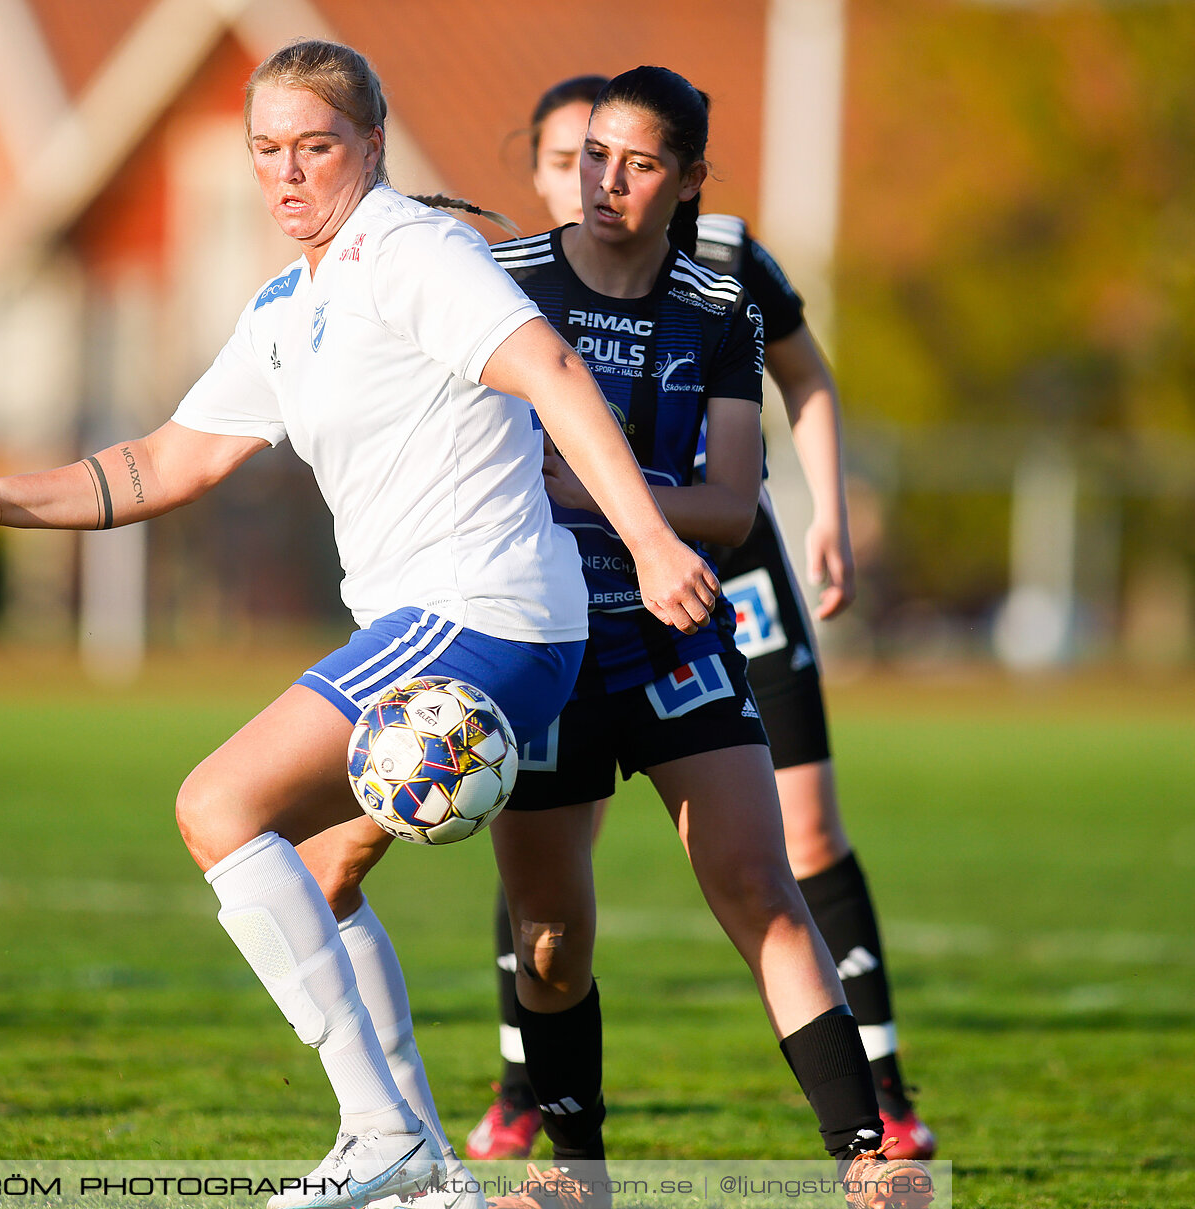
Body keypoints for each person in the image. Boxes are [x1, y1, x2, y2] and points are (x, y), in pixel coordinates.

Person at [0, 40, 719, 1209]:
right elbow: (170, 461)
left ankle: (381, 1131)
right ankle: (426, 1174)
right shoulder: (290, 304)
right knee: (317, 878)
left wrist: (650, 537)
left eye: (314, 148)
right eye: (266, 153)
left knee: (215, 805)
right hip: (424, 623)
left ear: (371, 147)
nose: (287, 175)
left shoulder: (412, 252)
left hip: (485, 614)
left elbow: (554, 372)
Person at [463, 74, 936, 1169]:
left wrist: (578, 483)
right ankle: (576, 1168)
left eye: (636, 163)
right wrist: (613, 502)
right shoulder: (503, 284)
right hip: (546, 646)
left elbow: (728, 506)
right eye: (591, 156)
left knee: (764, 889)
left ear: (688, 180)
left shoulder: (719, 306)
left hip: (677, 645)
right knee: (549, 936)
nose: (605, 182)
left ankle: (866, 1155)